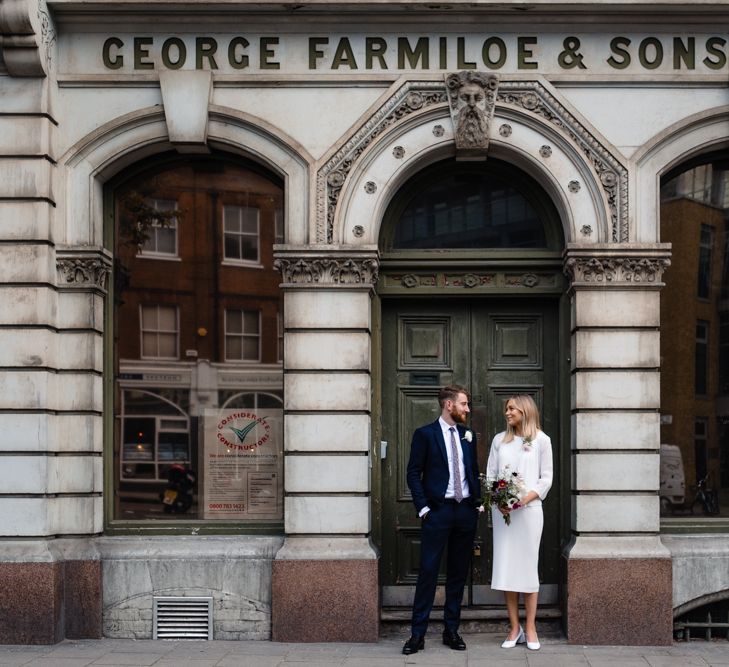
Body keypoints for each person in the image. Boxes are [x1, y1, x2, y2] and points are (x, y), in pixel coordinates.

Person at [402, 385, 480, 655]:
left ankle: (451, 630)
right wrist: (423, 508)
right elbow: (413, 473)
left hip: (465, 512)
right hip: (438, 512)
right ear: (448, 405)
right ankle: (417, 635)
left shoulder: (467, 435)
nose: (467, 409)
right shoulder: (425, 434)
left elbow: (474, 470)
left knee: (458, 574)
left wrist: (477, 503)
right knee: (428, 573)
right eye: (464, 404)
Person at [486, 394, 553, 651]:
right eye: (506, 408)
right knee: (507, 568)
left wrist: (524, 499)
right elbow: (491, 474)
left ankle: (532, 627)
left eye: (512, 408)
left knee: (527, 568)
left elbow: (546, 478)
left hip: (529, 512)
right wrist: (498, 498)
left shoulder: (541, 440)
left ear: (525, 410)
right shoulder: (499, 441)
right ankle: (515, 627)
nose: (507, 412)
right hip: (504, 515)